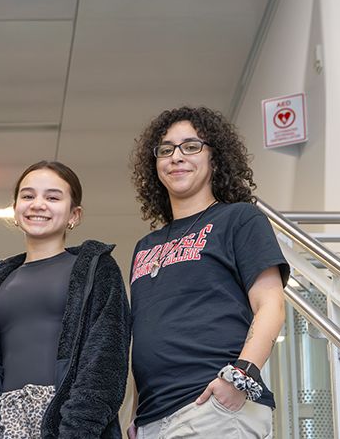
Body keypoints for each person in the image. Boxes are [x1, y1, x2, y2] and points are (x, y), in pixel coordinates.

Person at [126, 106, 289, 438]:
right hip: (151, 420)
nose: (176, 157)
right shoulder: (145, 245)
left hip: (213, 408)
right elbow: (144, 335)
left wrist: (239, 377)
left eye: (191, 146)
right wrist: (134, 414)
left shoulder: (240, 219)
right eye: (166, 150)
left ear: (215, 158)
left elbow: (271, 304)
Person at [0, 161, 130, 439]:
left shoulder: (96, 269)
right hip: (4, 422)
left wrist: (78, 429)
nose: (38, 204)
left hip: (68, 423)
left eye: (52, 197)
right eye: (28, 196)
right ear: (15, 208)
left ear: (74, 214)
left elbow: (106, 359)